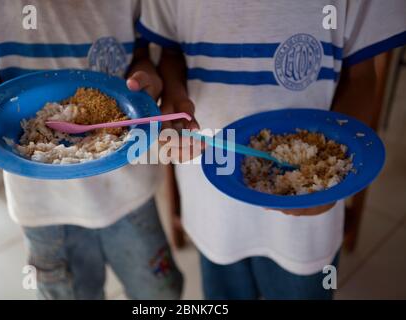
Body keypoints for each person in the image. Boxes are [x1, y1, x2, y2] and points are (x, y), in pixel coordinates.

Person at [138, 0, 406, 299]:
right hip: (211, 199)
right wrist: (175, 97)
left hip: (307, 220)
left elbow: (361, 75)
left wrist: (333, 172)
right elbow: (171, 52)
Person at [0, 0, 183, 300]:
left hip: (129, 193)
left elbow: (142, 56)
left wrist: (145, 82)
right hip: (43, 207)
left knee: (158, 292)